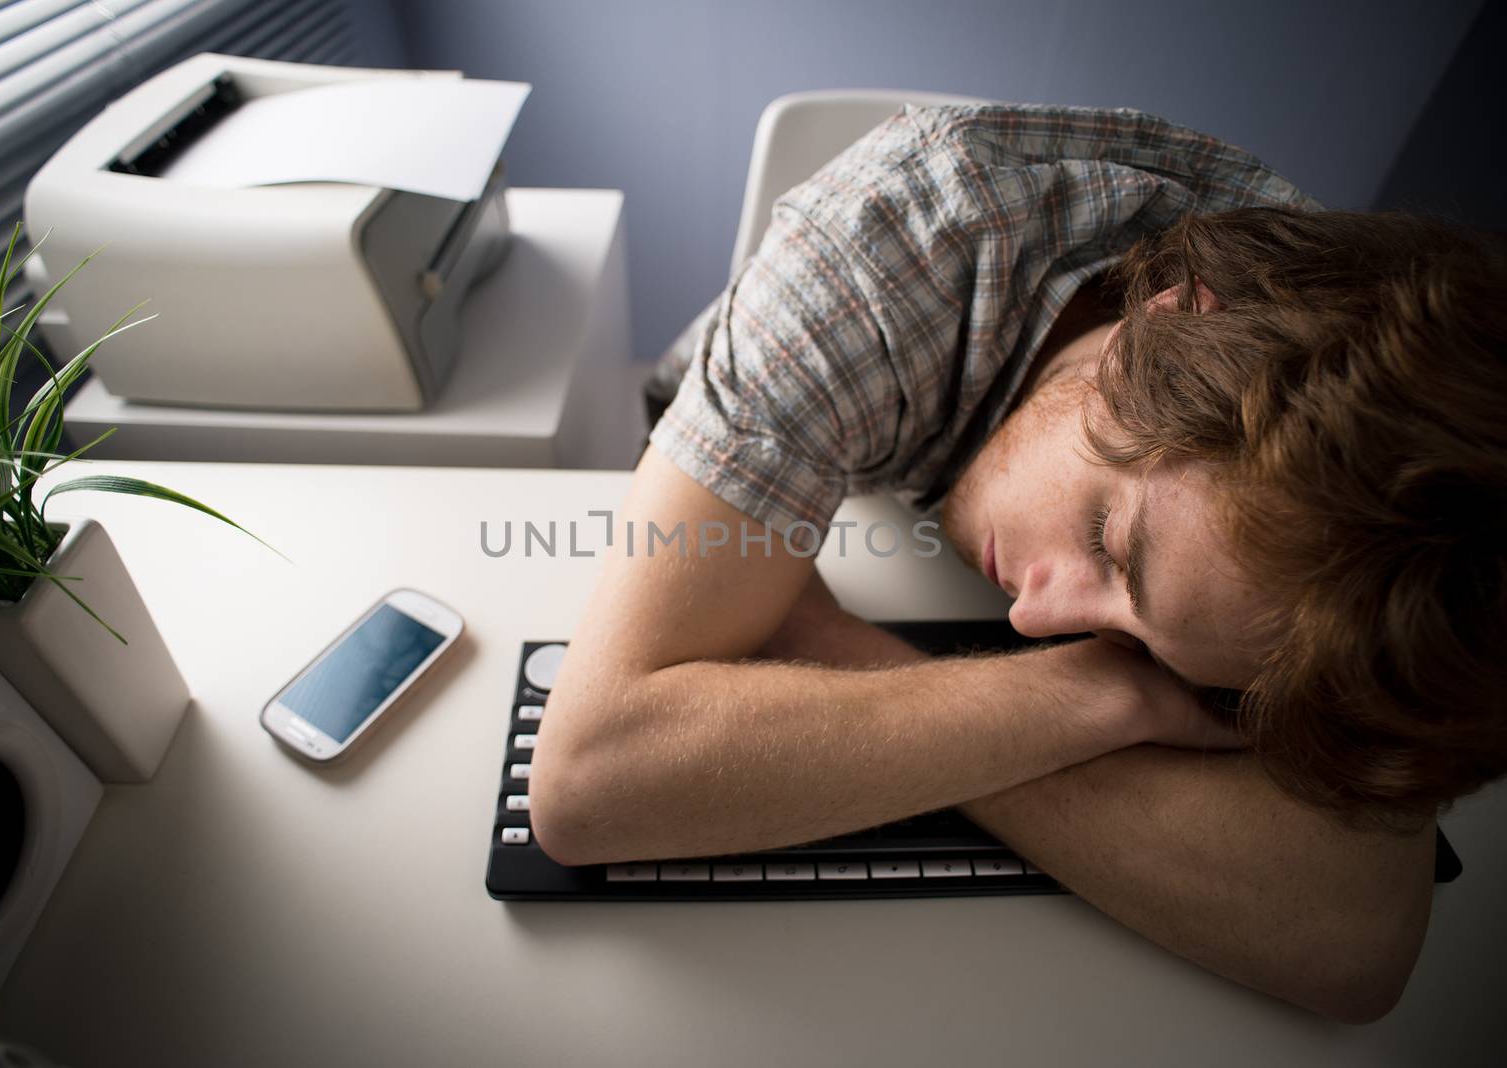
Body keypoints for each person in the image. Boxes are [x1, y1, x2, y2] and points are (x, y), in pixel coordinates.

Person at [527, 103, 1507, 1023]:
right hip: (714, 451)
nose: (1038, 626)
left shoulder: (1375, 494)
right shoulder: (878, 255)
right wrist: (1089, 702)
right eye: (1107, 544)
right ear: (1164, 320)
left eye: (1135, 645)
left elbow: (1353, 947)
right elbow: (587, 787)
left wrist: (827, 637)